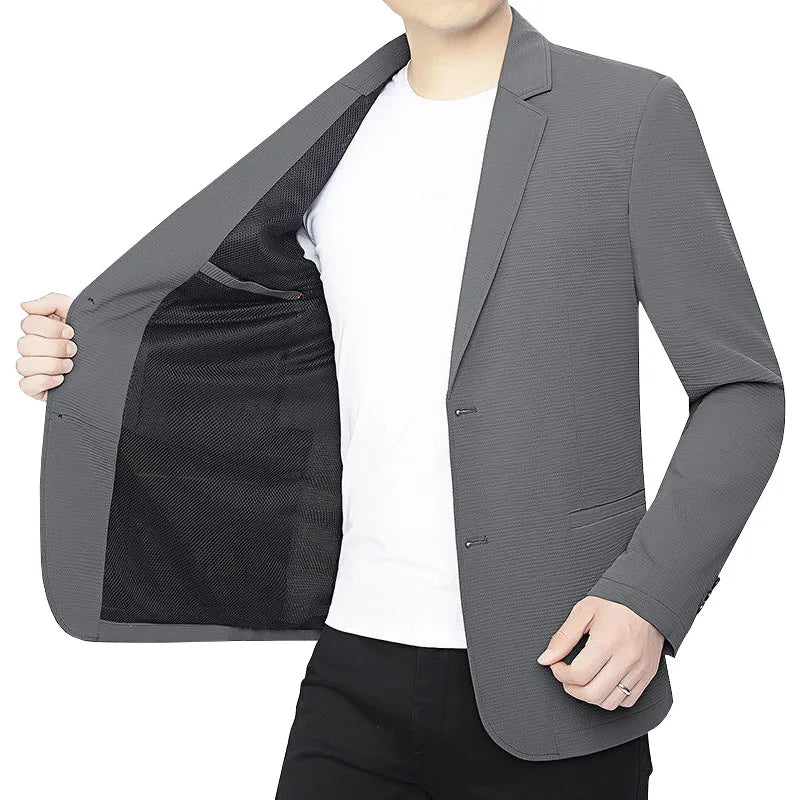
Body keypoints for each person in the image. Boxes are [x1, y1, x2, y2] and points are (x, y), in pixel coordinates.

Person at [17, 2, 784, 798]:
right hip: (355, 672)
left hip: (562, 673)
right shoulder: (334, 141)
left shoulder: (629, 114)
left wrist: (649, 597)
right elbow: (261, 359)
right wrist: (92, 352)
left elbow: (741, 389)